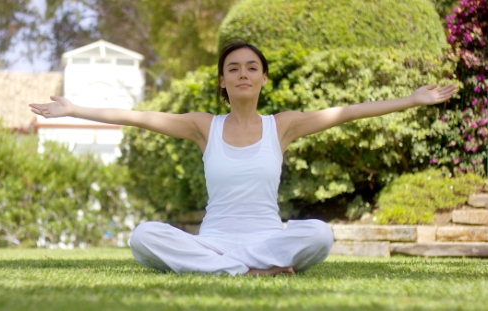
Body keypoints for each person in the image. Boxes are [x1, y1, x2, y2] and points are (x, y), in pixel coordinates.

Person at [29, 41, 457, 276]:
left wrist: (410, 101)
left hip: (268, 239)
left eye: (252, 67)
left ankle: (238, 267)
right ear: (222, 81)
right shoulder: (203, 126)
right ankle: (246, 270)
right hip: (214, 243)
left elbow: (346, 112)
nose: (243, 74)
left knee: (321, 236)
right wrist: (75, 109)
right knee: (142, 236)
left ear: (263, 77)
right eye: (233, 68)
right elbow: (138, 117)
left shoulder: (282, 125)